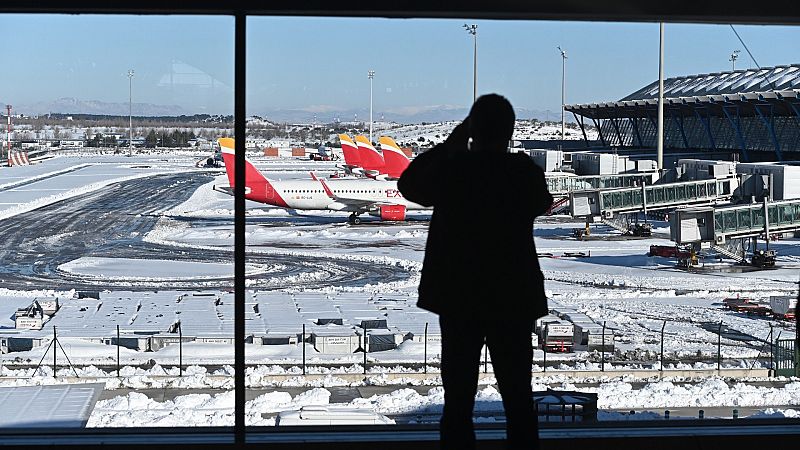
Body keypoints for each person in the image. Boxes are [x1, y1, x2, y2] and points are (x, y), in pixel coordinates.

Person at [398, 94, 552, 450]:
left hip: (459, 297)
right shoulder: (522, 172)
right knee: (517, 397)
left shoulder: (455, 171)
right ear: (510, 132)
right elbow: (542, 201)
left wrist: (449, 148)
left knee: (458, 401)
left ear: (471, 130)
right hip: (511, 298)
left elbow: (409, 186)